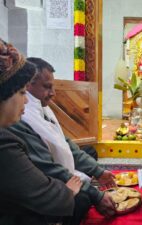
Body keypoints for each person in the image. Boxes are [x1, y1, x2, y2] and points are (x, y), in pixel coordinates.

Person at [8, 57, 116, 223]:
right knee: (81, 200)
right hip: (25, 203)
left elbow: (64, 143)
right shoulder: (16, 124)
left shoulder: (38, 108)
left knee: (88, 152)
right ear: (27, 85)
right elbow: (48, 168)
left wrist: (97, 171)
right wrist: (91, 194)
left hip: (44, 176)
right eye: (21, 92)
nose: (53, 93)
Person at [0, 39, 82, 225]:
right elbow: (43, 193)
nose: (27, 101)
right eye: (21, 93)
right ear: (3, 95)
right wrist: (68, 191)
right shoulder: (3, 143)